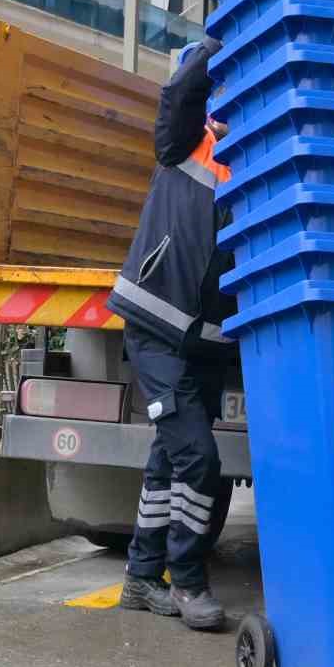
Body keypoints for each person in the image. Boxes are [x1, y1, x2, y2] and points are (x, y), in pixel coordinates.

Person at [108, 40, 237, 631]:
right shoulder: (185, 140)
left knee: (168, 458)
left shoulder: (258, 160)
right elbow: (181, 92)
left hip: (210, 341)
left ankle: (140, 576)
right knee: (200, 460)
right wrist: (218, 44)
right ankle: (187, 581)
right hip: (155, 324)